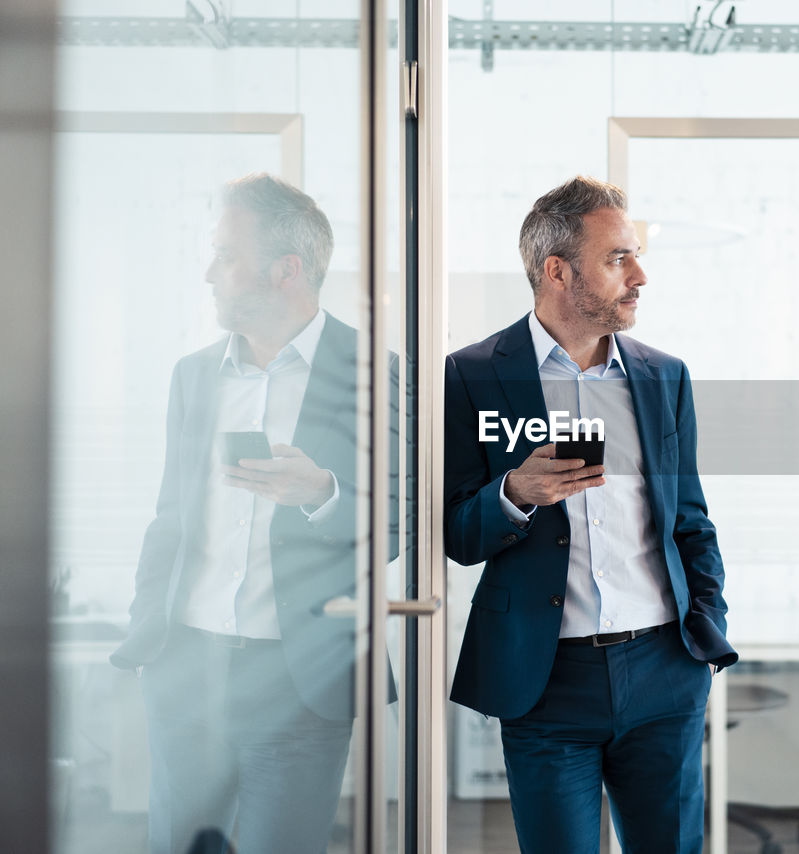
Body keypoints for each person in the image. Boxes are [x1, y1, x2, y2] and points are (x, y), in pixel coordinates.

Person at [444, 175, 738, 853]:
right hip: (546, 684)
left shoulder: (665, 376)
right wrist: (515, 492)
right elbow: (457, 532)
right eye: (616, 259)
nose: (639, 276)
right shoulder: (474, 374)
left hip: (665, 669)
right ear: (557, 271)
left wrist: (706, 634)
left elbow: (689, 518)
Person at [110, 173, 395, 854]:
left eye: (225, 255)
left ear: (285, 270)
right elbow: (169, 519)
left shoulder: (376, 373)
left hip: (299, 686)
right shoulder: (194, 376)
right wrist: (145, 635)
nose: (209, 273)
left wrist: (324, 492)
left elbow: (401, 523)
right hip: (188, 670)